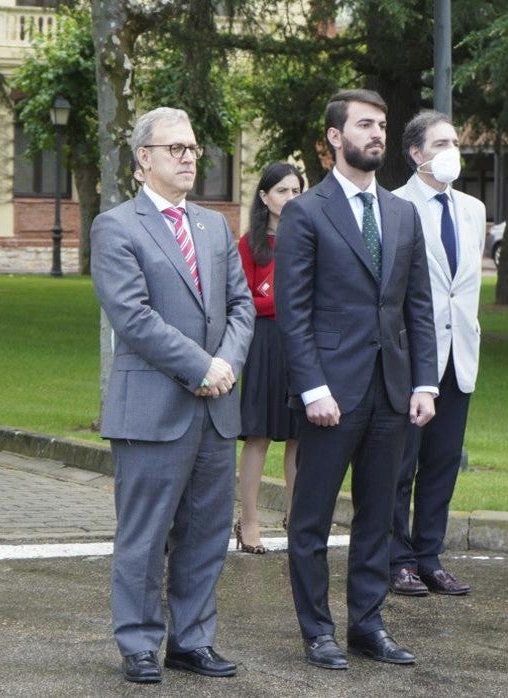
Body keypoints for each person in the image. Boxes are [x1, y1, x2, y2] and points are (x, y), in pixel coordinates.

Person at [275, 89, 438, 670]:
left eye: (383, 125)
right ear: (334, 138)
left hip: (393, 391)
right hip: (330, 396)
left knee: (378, 518)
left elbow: (417, 308)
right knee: (312, 520)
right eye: (365, 124)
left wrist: (425, 383)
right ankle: (318, 632)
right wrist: (312, 387)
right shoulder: (306, 212)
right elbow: (294, 311)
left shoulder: (402, 214)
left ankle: (367, 625)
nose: (377, 134)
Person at [90, 107, 254, 684]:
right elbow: (132, 317)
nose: (189, 158)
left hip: (216, 409)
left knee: (207, 534)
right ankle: (138, 643)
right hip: (152, 411)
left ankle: (192, 641)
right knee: (145, 535)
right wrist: (200, 365)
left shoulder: (213, 226)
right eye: (176, 149)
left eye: (192, 149)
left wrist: (227, 363)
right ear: (143, 159)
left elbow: (242, 306)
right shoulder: (117, 226)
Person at [387, 111, 483, 599]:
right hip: (410, 358)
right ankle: (397, 558)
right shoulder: (395, 205)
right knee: (401, 464)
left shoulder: (473, 208)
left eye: (455, 141)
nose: (452, 151)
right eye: (441, 143)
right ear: (416, 153)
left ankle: (429, 556)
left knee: (442, 463)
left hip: (460, 356)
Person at [234, 163, 304, 554]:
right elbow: (245, 300)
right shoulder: (251, 244)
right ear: (264, 197)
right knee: (258, 434)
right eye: (282, 191)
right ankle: (248, 521)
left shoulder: (310, 239)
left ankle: (296, 520)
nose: (290, 199)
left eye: (296, 191)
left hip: (300, 346)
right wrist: (283, 303)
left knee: (298, 436)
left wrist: (280, 304)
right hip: (263, 345)